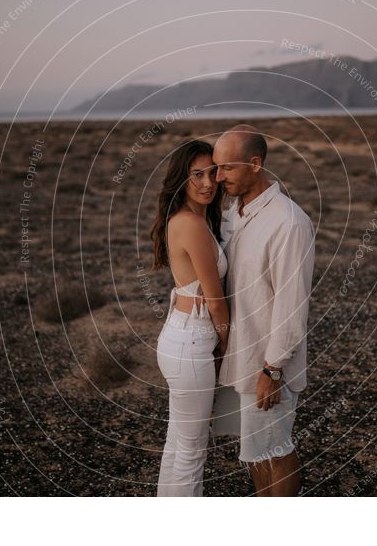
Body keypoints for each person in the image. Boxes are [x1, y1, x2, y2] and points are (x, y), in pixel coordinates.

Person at [212, 124, 315, 497]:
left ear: (255, 164)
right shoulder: (233, 211)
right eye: (216, 167)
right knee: (253, 452)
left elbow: (292, 305)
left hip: (267, 365)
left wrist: (272, 369)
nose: (218, 177)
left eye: (228, 168)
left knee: (276, 451)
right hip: (240, 357)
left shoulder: (288, 223)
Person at [150, 139, 230, 497]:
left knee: (178, 443)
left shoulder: (190, 219)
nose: (208, 182)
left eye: (213, 173)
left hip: (180, 338)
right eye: (197, 174)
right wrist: (228, 342)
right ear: (180, 179)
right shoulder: (192, 225)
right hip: (192, 343)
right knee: (192, 451)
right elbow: (215, 301)